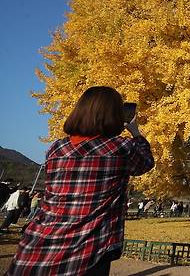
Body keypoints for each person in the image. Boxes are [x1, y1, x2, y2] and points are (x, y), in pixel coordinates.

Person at [7, 86, 155, 276]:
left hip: (38, 244)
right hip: (88, 248)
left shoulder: (56, 149)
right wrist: (135, 132)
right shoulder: (119, 148)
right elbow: (146, 162)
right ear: (114, 115)